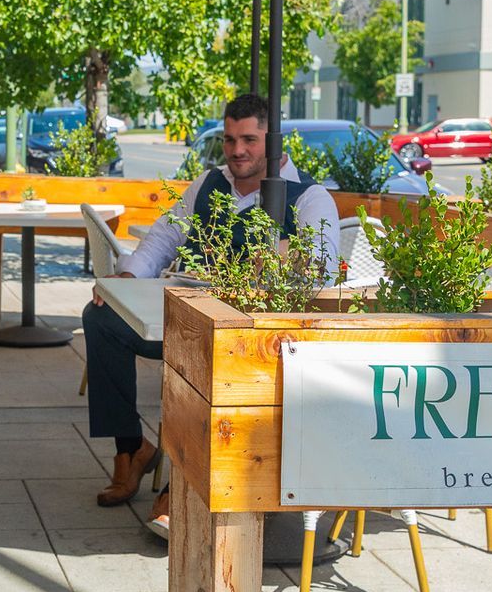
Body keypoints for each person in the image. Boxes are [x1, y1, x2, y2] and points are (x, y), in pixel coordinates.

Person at [82, 93, 339, 514]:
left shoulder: (309, 198)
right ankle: (131, 448)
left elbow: (322, 271)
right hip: (188, 317)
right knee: (100, 318)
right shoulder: (208, 183)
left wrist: (280, 253)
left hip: (257, 341)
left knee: (199, 356)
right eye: (230, 139)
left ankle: (183, 486)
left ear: (275, 141)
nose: (237, 150)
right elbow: (164, 237)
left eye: (250, 140)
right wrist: (127, 275)